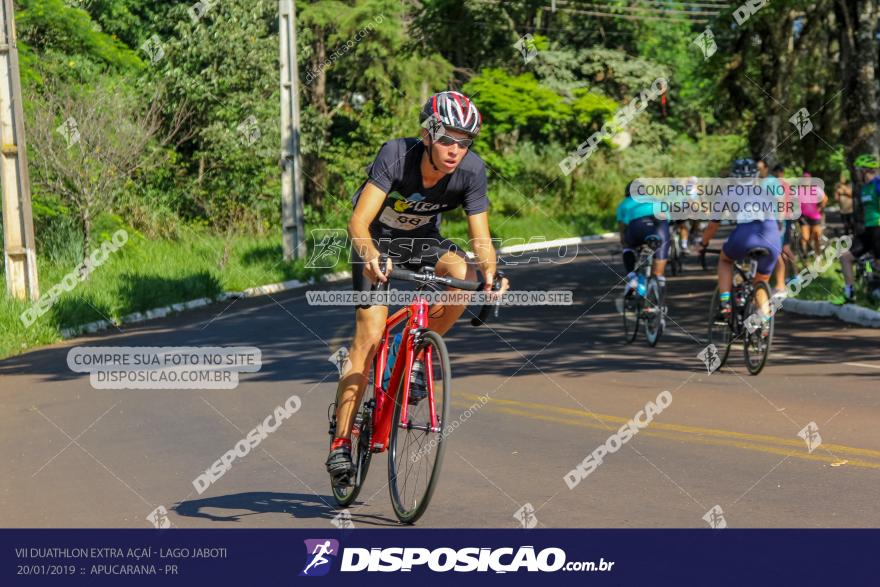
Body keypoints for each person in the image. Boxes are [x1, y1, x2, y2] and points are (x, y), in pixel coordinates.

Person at [324, 91, 509, 485]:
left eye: (464, 141)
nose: (455, 150)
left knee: (462, 273)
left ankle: (415, 355)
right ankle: (341, 442)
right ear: (427, 134)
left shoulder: (472, 171)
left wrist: (490, 276)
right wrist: (371, 255)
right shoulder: (395, 155)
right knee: (370, 337)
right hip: (375, 242)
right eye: (447, 138)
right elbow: (357, 223)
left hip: (423, 242)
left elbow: (481, 238)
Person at [699, 158, 780, 330]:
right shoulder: (766, 190)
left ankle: (726, 303)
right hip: (771, 236)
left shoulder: (728, 192)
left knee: (725, 260)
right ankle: (764, 324)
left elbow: (714, 225)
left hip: (745, 235)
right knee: (761, 279)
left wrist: (703, 243)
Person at [616, 180, 669, 310]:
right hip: (660, 225)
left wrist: (625, 243)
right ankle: (658, 286)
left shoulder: (624, 204)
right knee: (661, 249)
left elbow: (622, 228)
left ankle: (633, 278)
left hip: (637, 226)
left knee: (627, 246)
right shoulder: (657, 200)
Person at [840, 154, 880, 302]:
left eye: (858, 170)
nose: (857, 173)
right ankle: (849, 294)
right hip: (868, 229)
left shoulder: (877, 184)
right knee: (845, 257)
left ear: (865, 170)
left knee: (878, 263)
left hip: (878, 227)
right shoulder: (863, 189)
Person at [798, 171, 828, 257]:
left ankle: (818, 255)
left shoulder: (816, 189)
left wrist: (821, 207)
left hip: (815, 216)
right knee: (805, 237)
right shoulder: (798, 190)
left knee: (816, 236)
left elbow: (825, 198)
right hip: (804, 217)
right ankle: (805, 254)